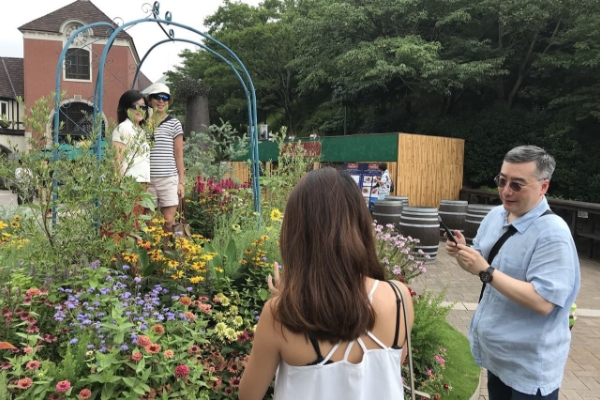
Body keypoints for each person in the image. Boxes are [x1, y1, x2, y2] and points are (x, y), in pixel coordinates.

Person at [238, 167, 414, 400]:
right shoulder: (399, 297)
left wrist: (285, 298)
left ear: (297, 234)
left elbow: (249, 394)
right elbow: (389, 366)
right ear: (360, 223)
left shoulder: (281, 314)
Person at [445, 145, 580, 400]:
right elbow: (480, 263)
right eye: (502, 180)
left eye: (517, 184)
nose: (506, 191)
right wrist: (463, 253)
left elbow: (543, 302)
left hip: (529, 366)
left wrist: (485, 271)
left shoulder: (552, 234)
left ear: (543, 187)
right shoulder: (496, 215)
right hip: (498, 358)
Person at [144, 83, 185, 233]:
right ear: (150, 100)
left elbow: (179, 154)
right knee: (150, 224)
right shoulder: (142, 124)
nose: (161, 101)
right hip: (147, 181)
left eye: (165, 98)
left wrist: (181, 182)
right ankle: (152, 254)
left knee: (168, 222)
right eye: (157, 97)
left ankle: (165, 253)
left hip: (169, 179)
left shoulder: (174, 123)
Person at [111, 90, 151, 183]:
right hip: (129, 185)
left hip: (141, 183)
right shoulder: (123, 128)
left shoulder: (140, 131)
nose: (140, 110)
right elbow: (117, 162)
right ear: (126, 108)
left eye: (143, 107)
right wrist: (121, 188)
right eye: (135, 106)